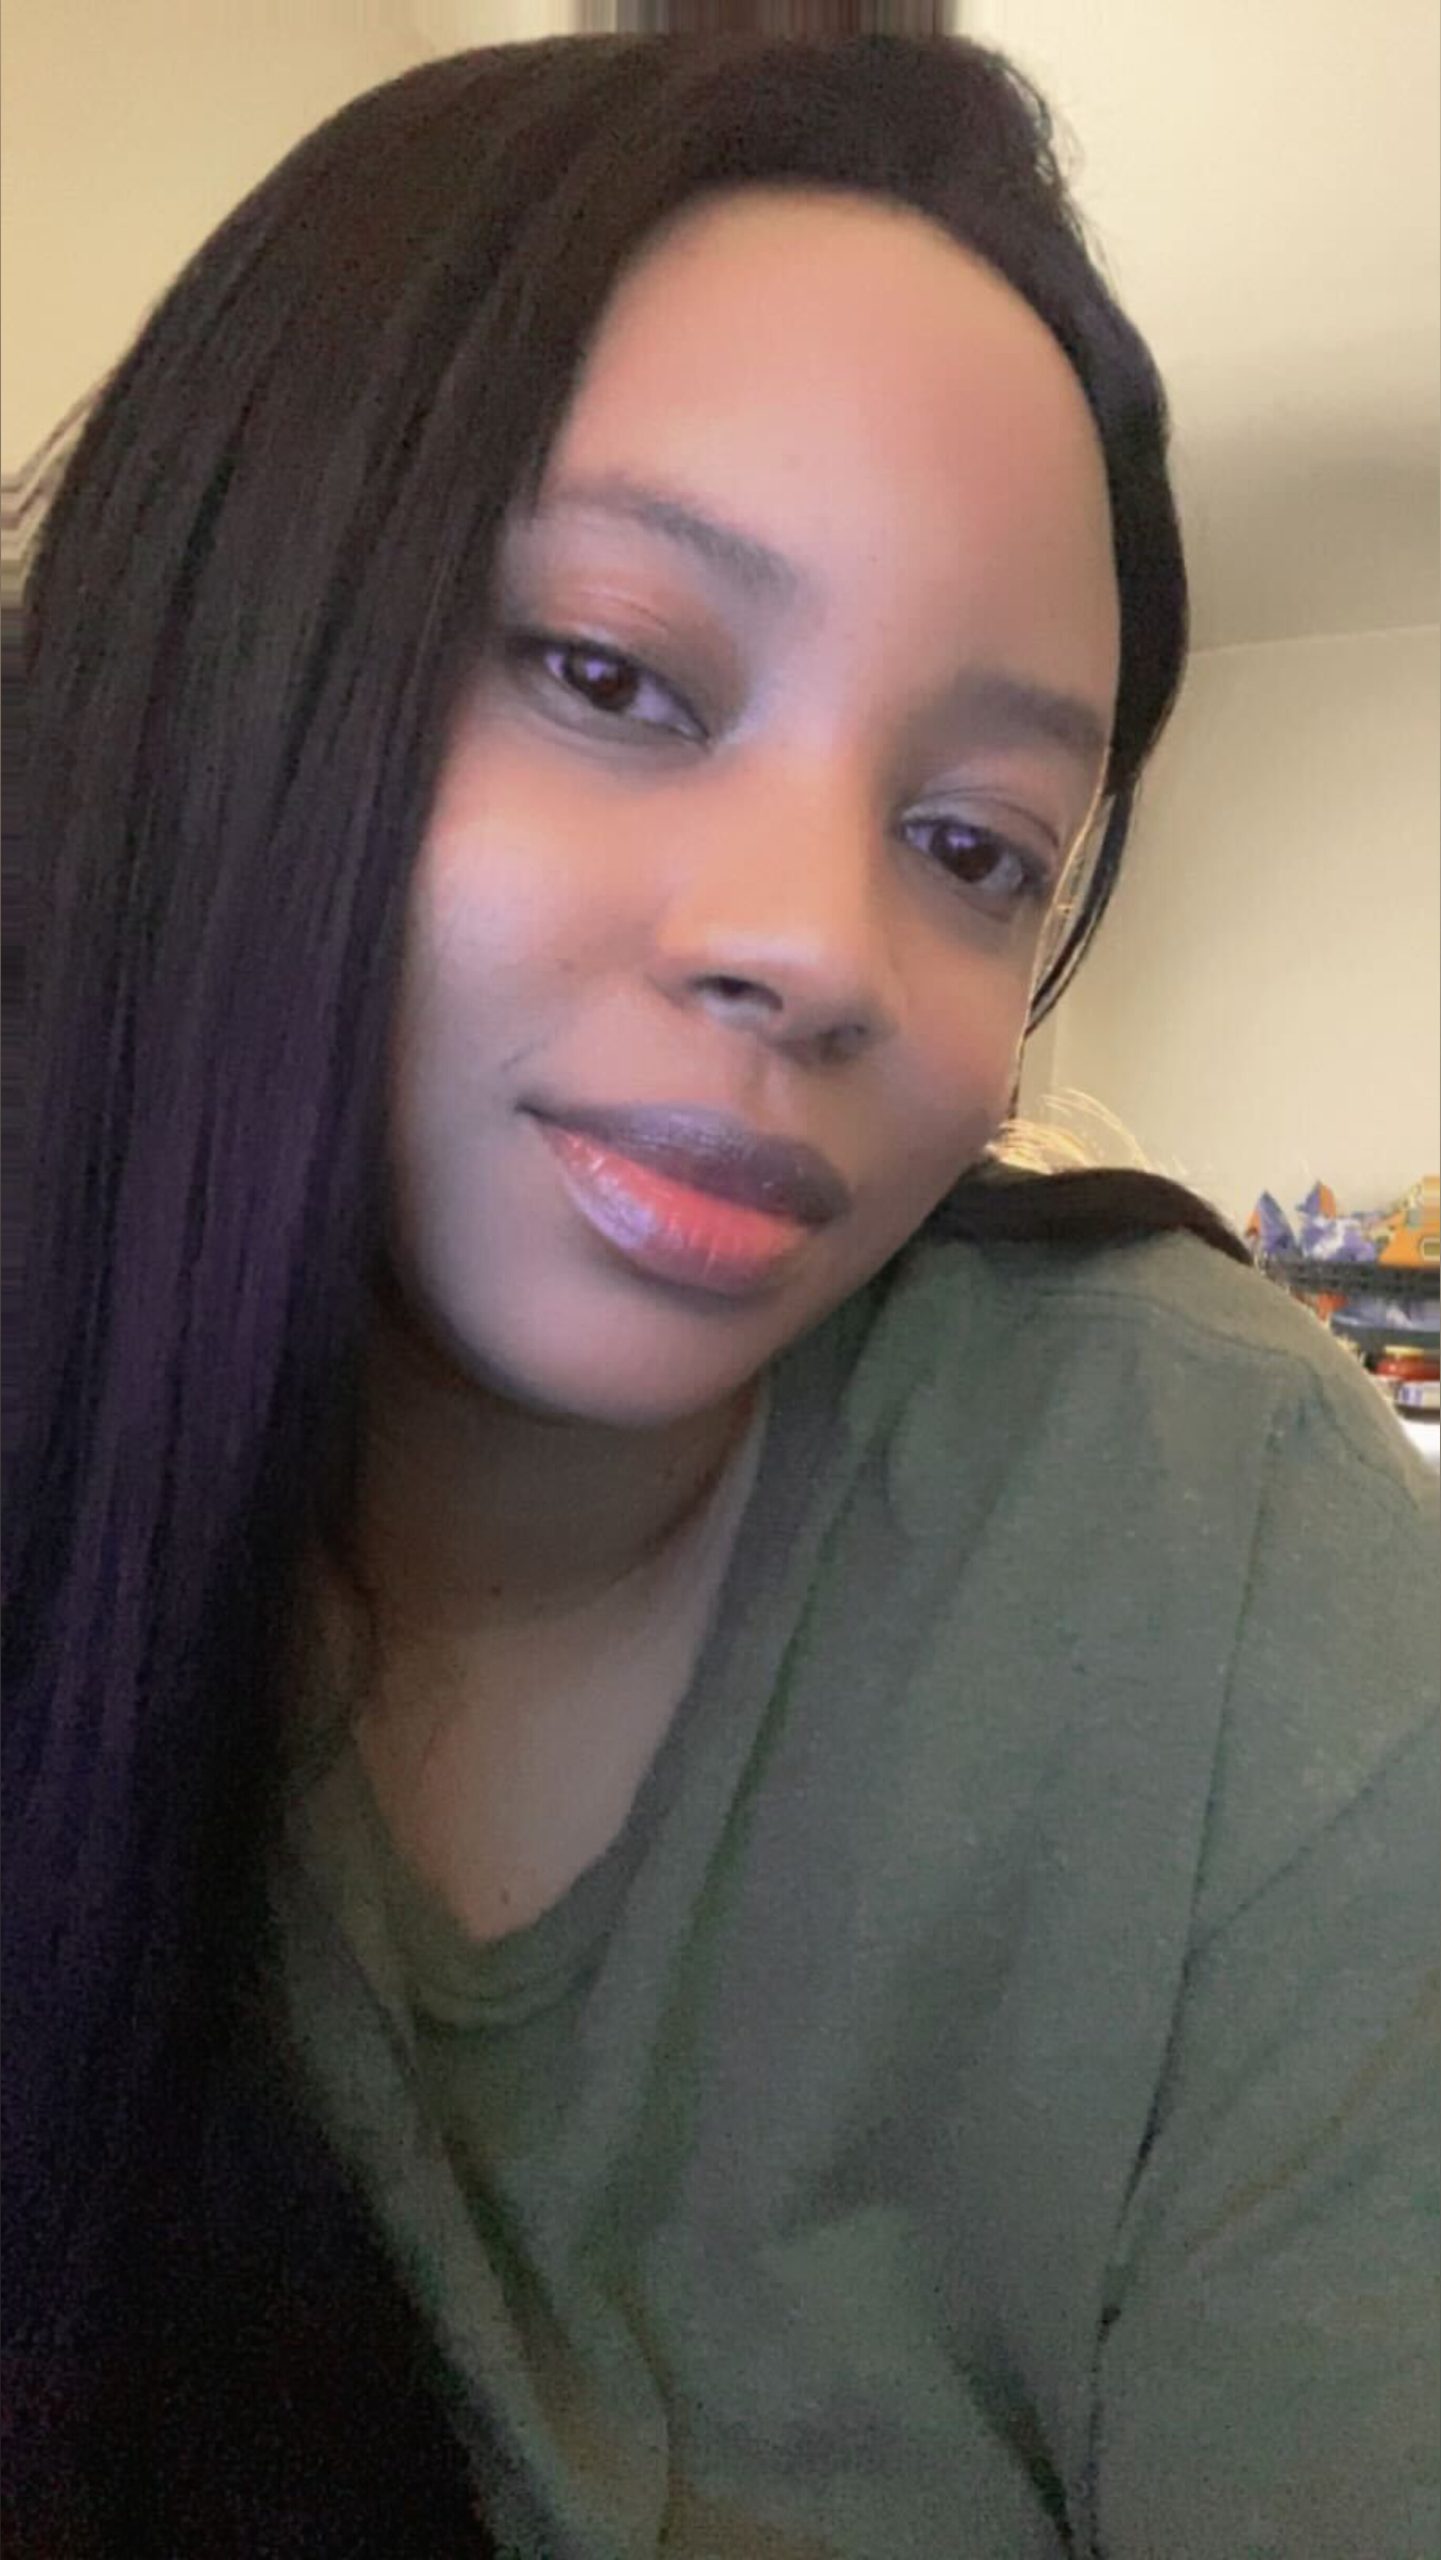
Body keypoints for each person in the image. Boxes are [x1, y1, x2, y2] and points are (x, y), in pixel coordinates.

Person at [2, 29, 1435, 2559]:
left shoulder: (1209, 1543)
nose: (819, 947)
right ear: (217, 630)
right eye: (611, 672)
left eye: (974, 843)